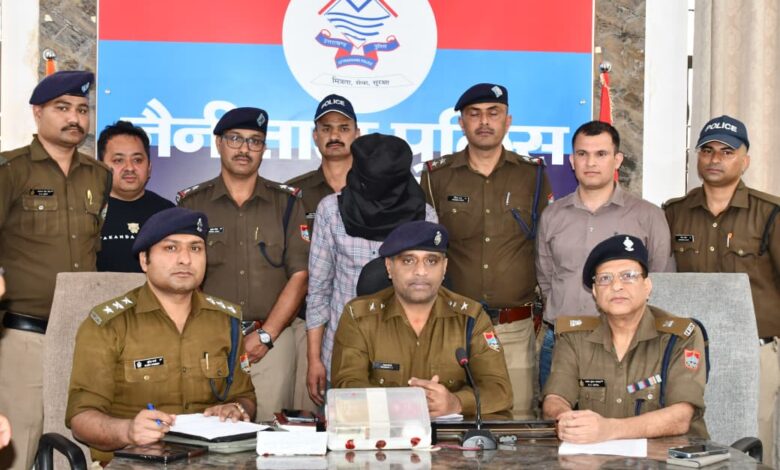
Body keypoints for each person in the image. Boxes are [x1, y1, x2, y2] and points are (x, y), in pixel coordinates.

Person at [66, 207, 256, 462]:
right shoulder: (109, 325)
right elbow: (81, 418)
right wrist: (128, 431)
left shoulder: (226, 321)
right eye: (170, 248)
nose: (185, 259)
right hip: (133, 463)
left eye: (196, 248)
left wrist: (236, 408)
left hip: (214, 461)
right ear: (144, 261)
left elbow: (246, 397)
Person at [0, 70, 111, 470]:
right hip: (24, 335)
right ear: (37, 113)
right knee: (18, 444)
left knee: (72, 449)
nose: (74, 118)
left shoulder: (99, 175)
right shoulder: (10, 170)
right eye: (62, 108)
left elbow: (94, 247)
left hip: (81, 337)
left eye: (82, 109)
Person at [420, 83, 551, 419]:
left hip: (513, 328)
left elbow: (545, 245)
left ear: (508, 121)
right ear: (461, 123)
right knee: (449, 419)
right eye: (474, 114)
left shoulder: (532, 176)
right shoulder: (436, 177)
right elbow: (425, 250)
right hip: (453, 325)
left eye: (494, 113)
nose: (484, 122)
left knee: (517, 422)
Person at [178, 107, 309, 421]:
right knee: (208, 426)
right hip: (208, 337)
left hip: (271, 337)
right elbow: (182, 276)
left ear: (263, 149)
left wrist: (266, 336)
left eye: (255, 141)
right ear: (219, 143)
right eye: (235, 139)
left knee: (269, 427)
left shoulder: (287, 203)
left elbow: (300, 275)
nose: (244, 149)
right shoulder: (192, 203)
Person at [664, 115, 780, 465]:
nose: (715, 159)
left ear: (745, 160)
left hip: (753, 350)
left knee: (753, 439)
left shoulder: (770, 213)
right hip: (688, 352)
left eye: (727, 152)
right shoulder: (674, 213)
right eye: (707, 150)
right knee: (691, 440)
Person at [535, 121, 675, 389]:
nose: (591, 163)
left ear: (617, 160)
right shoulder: (552, 215)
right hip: (562, 341)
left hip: (626, 344)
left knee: (621, 414)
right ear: (572, 161)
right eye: (582, 154)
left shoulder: (648, 216)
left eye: (601, 154)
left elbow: (661, 281)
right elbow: (546, 279)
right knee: (556, 412)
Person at [305, 133, 437, 406]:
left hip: (407, 358)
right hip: (342, 353)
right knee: (345, 430)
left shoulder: (424, 216)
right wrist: (314, 359)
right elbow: (318, 290)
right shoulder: (331, 210)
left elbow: (431, 294)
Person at [331, 221, 513, 418]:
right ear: (389, 267)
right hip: (382, 431)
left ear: (444, 267)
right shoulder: (359, 316)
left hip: (451, 435)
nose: (421, 271)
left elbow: (500, 391)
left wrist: (456, 402)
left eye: (431, 261)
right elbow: (346, 387)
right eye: (408, 261)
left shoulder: (471, 317)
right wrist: (401, 404)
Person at [542, 235, 708, 443]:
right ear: (594, 292)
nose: (616, 286)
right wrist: (565, 419)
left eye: (628, 276)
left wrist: (609, 429)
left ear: (647, 286)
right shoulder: (574, 339)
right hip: (598, 456)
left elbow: (681, 417)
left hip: (671, 455)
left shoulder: (680, 337)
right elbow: (555, 398)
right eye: (605, 278)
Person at [285, 94, 360, 413]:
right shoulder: (293, 193)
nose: (335, 135)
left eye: (343, 128)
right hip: (308, 325)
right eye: (326, 128)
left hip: (366, 325)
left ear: (357, 134)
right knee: (309, 418)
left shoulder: (378, 191)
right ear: (315, 136)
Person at [96, 120, 174, 272]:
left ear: (149, 167)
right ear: (101, 167)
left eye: (137, 160)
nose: (130, 168)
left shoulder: (168, 213)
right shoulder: (87, 210)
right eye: (118, 160)